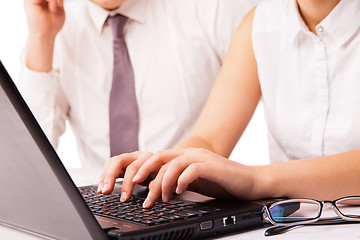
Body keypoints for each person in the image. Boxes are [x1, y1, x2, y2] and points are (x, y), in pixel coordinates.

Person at [98, 0, 360, 208]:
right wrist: (164, 166)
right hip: (292, 224)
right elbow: (210, 139)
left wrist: (256, 180)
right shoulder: (260, 23)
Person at [19, 0, 255, 168]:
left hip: (190, 197)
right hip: (102, 207)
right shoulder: (57, 24)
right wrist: (41, 38)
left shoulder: (213, 8)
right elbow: (29, 162)